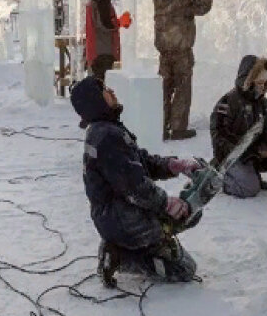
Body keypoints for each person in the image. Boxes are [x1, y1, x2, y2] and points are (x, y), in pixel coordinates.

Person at [70, 75, 203, 285]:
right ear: (95, 100)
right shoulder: (107, 137)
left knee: (186, 212)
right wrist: (166, 204)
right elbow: (136, 188)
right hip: (123, 219)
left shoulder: (105, 130)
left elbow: (139, 162)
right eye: (104, 89)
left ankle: (129, 246)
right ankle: (122, 256)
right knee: (184, 268)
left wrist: (173, 165)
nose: (111, 90)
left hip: (114, 215)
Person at [153, 0, 213, 140]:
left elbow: (174, 1)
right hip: (181, 53)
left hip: (164, 53)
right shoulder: (183, 0)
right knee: (182, 90)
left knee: (164, 90)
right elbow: (203, 7)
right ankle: (178, 128)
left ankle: (161, 127)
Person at [210, 55, 267, 198]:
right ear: (249, 81)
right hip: (231, 157)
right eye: (259, 83)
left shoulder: (262, 104)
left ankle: (250, 174)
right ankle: (216, 177)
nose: (263, 87)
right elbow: (220, 139)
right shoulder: (228, 102)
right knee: (249, 188)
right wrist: (254, 152)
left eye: (266, 83)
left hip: (249, 156)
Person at [85, 0, 131, 82]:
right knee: (102, 88)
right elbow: (106, 24)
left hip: (97, 51)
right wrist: (121, 22)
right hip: (102, 52)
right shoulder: (101, 0)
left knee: (98, 86)